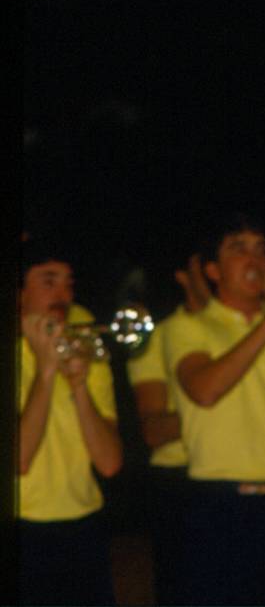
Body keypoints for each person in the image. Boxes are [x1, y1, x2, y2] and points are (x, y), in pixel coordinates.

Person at [162, 213, 265, 605]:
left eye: (261, 250)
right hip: (220, 507)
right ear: (213, 270)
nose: (255, 260)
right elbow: (204, 390)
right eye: (239, 250)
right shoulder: (189, 327)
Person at [17, 238, 123, 605]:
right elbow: (19, 460)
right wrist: (46, 373)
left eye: (68, 283)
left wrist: (79, 382)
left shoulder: (82, 338)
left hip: (84, 526)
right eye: (49, 281)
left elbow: (109, 463)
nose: (63, 294)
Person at [125, 252, 210, 605]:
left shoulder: (253, 331)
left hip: (242, 480)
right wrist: (214, 408)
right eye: (206, 267)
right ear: (183, 275)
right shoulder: (158, 337)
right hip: (180, 484)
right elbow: (153, 430)